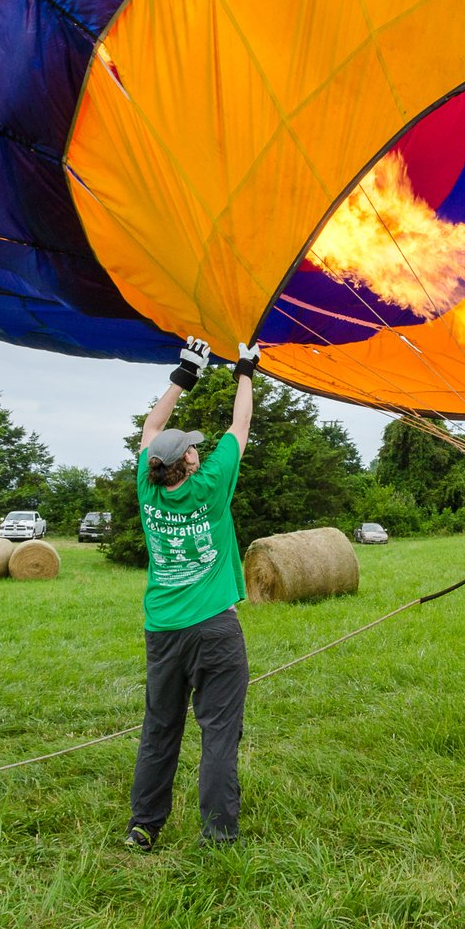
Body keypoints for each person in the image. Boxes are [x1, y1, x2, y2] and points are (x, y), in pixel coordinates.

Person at [126, 337, 260, 851]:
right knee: (220, 732)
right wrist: (244, 370)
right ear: (190, 462)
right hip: (216, 630)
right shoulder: (212, 484)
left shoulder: (148, 484)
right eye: (193, 445)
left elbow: (150, 429)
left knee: (160, 728)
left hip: (162, 629)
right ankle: (219, 835)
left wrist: (185, 374)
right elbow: (240, 427)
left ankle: (144, 827)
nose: (198, 446)